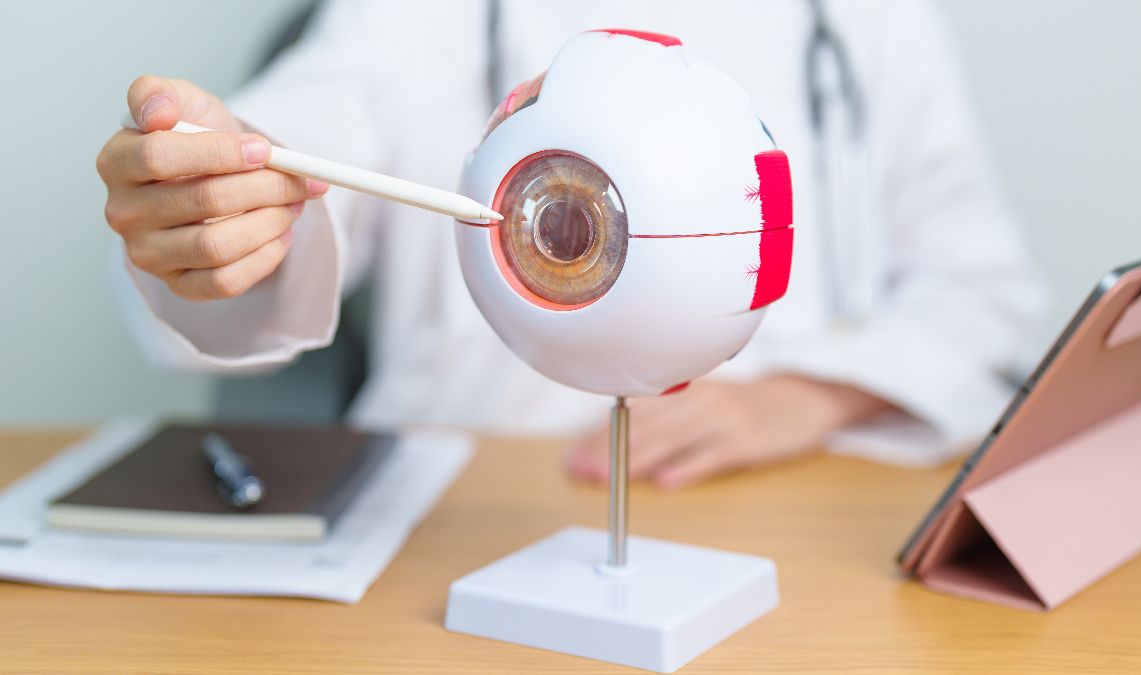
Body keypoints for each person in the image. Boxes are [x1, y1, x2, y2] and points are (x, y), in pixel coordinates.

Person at [96, 0, 1047, 489]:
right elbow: (300, 148)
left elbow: (984, 297)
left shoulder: (861, 19)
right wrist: (217, 199)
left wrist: (812, 396)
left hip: (796, 500)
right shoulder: (417, 16)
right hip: (478, 497)